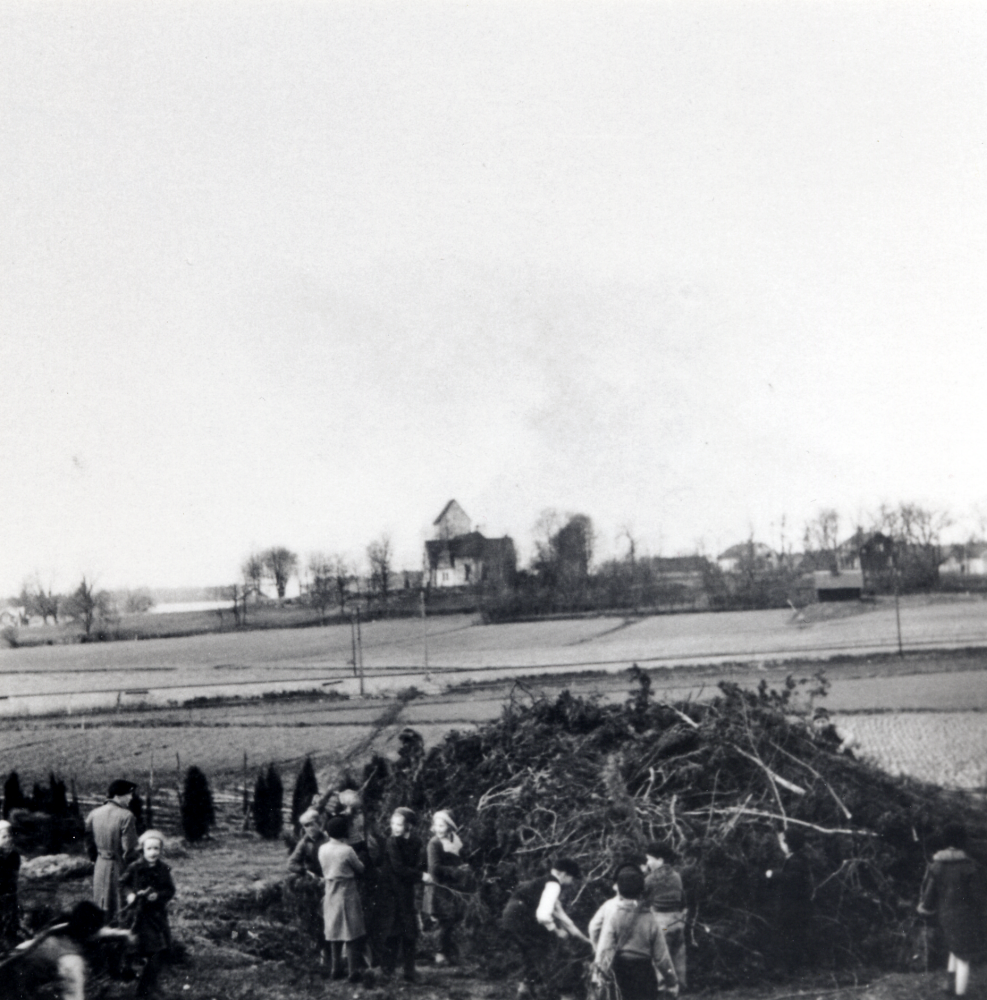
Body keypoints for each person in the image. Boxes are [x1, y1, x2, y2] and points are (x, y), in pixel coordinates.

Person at [501, 858, 593, 998]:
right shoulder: (554, 885)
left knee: (531, 955)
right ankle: (566, 994)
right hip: (521, 918)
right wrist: (556, 931)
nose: (573, 882)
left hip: (510, 918)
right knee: (548, 954)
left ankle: (524, 991)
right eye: (572, 878)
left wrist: (586, 940)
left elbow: (565, 920)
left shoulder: (544, 884)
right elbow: (543, 916)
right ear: (563, 874)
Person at [4, 900, 131, 1000]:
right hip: (17, 975)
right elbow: (73, 995)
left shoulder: (67, 927)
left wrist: (125, 934)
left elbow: (101, 933)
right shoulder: (71, 960)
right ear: (89, 932)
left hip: (20, 959)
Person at [918, 822, 987, 997]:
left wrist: (925, 908)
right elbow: (978, 896)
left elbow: (929, 895)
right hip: (966, 915)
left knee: (955, 948)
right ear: (963, 841)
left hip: (945, 915)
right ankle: (959, 994)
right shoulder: (969, 867)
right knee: (964, 956)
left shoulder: (937, 865)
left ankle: (950, 985)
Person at [594, 868, 679, 1000]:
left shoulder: (615, 917)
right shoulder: (650, 918)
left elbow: (605, 948)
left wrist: (599, 974)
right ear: (641, 891)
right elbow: (662, 956)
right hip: (644, 972)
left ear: (619, 891)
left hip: (620, 971)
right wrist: (671, 981)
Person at [120, 829, 176, 999]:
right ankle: (127, 970)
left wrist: (158, 895)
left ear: (161, 850)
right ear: (142, 849)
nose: (153, 853)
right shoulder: (135, 867)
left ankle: (146, 986)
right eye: (149, 849)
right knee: (130, 944)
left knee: (158, 947)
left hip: (155, 914)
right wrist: (129, 894)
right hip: (136, 913)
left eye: (156, 849)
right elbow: (123, 883)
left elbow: (170, 890)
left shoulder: (163, 869)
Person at [378, 807, 428, 982]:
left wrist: (419, 873)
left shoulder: (416, 842)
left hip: (405, 891)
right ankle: (387, 970)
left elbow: (419, 864)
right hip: (391, 891)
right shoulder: (392, 842)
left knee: (409, 930)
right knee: (392, 930)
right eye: (392, 823)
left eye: (399, 824)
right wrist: (420, 875)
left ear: (409, 825)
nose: (395, 827)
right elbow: (399, 869)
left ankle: (409, 970)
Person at [84, 779, 139, 923]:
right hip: (119, 866)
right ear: (118, 795)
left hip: (100, 866)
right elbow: (129, 850)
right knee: (120, 905)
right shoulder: (127, 816)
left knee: (101, 903)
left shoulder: (94, 813)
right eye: (129, 794)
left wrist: (96, 859)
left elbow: (88, 843)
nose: (131, 798)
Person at [319, 814, 365, 982]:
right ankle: (353, 972)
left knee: (334, 931)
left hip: (330, 891)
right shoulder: (347, 850)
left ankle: (335, 968)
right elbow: (360, 869)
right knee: (351, 932)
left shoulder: (322, 849)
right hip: (347, 892)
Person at [425, 809, 470, 965]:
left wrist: (463, 867)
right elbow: (434, 868)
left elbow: (460, 858)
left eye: (442, 826)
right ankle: (439, 953)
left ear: (450, 827)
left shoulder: (455, 841)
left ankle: (449, 950)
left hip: (452, 887)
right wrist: (454, 871)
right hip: (439, 887)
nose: (439, 829)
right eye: (436, 826)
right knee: (443, 919)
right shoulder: (435, 843)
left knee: (453, 918)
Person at [765, 827, 813, 973]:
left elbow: (792, 878)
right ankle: (790, 967)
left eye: (782, 842)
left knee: (788, 935)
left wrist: (773, 874)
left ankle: (787, 969)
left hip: (793, 906)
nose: (780, 845)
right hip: (793, 905)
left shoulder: (797, 860)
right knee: (790, 935)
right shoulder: (795, 858)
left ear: (788, 844)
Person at [287, 807, 329, 965]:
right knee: (315, 919)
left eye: (311, 824)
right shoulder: (304, 842)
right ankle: (320, 952)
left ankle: (330, 952)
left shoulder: (327, 839)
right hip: (314, 884)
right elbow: (291, 863)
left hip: (329, 881)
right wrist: (306, 871)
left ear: (319, 823)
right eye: (305, 826)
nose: (308, 829)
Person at [643, 843, 687, 991]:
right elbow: (682, 900)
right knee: (678, 957)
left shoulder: (651, 878)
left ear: (660, 860)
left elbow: (642, 899)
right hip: (678, 921)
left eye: (649, 859)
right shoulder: (677, 876)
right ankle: (678, 989)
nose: (647, 863)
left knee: (661, 960)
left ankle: (663, 990)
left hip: (662, 924)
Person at [0, 820, 22, 949]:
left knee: (10, 919)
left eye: (9, 836)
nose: (8, 839)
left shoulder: (14, 855)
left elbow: (14, 876)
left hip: (9, 892)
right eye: (3, 837)